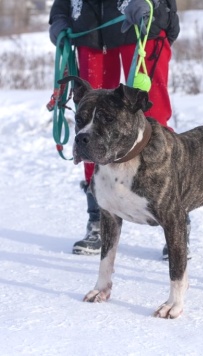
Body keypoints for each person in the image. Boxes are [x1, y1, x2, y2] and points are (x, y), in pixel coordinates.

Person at [49, 0, 190, 259]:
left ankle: (175, 218)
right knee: (93, 124)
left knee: (152, 117)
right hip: (89, 29)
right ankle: (99, 220)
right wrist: (59, 14)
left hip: (140, 19)